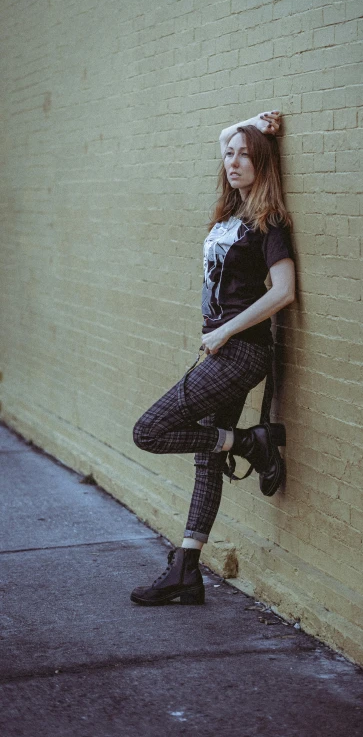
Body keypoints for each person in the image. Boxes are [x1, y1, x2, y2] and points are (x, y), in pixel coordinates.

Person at [130, 110, 295, 606]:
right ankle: (186, 568)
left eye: (246, 155)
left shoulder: (270, 222)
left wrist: (224, 330)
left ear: (262, 164)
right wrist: (249, 124)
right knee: (207, 456)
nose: (233, 160)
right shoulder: (227, 215)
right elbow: (224, 135)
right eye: (230, 154)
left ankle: (249, 442)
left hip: (242, 353)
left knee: (149, 431)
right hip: (225, 352)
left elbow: (284, 291)